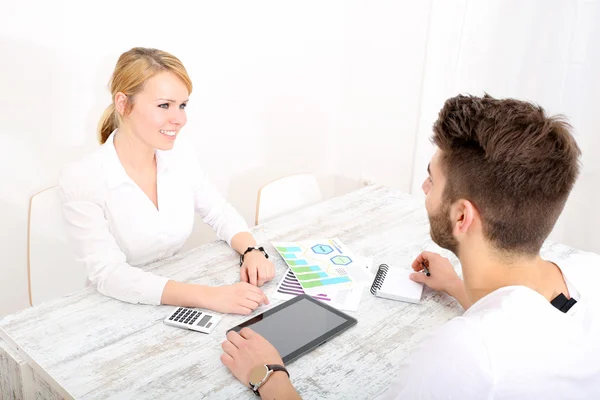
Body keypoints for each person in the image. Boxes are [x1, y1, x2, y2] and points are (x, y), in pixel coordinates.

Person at [220, 94, 600, 398]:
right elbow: (530, 331)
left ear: (462, 217)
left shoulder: (464, 356)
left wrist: (268, 377)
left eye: (432, 180)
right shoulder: (589, 277)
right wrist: (455, 287)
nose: (424, 189)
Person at [59, 47, 274, 315]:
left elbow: (218, 212)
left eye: (182, 105)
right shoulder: (82, 177)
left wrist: (252, 250)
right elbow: (110, 274)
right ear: (123, 103)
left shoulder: (180, 154)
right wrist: (209, 296)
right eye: (164, 105)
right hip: (115, 307)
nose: (180, 119)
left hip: (173, 298)